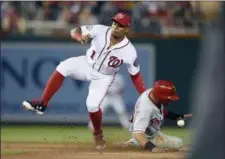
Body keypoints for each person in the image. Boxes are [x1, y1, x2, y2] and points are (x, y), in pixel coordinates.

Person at [22, 12, 146, 149]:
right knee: (63, 67)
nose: (116, 26)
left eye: (120, 25)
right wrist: (79, 36)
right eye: (115, 23)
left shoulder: (129, 51)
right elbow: (75, 30)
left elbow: (135, 76)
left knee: (92, 105)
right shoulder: (100, 30)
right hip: (86, 64)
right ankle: (42, 103)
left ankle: (98, 136)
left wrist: (144, 94)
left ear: (127, 29)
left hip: (104, 76)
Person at [126, 80, 184, 152]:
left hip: (152, 133)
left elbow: (158, 111)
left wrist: (175, 116)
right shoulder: (146, 109)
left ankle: (135, 143)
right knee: (178, 143)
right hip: (145, 137)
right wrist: (153, 148)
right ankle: (135, 143)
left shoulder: (153, 94)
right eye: (168, 98)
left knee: (177, 143)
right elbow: (137, 134)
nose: (169, 100)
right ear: (160, 97)